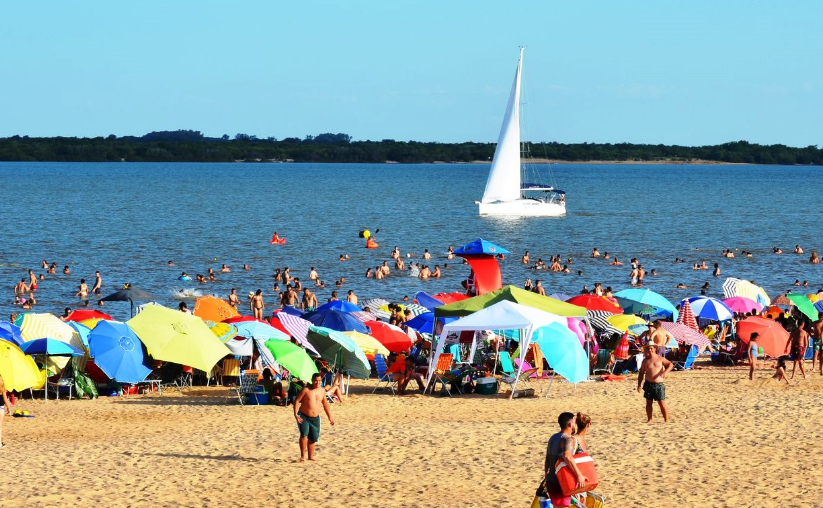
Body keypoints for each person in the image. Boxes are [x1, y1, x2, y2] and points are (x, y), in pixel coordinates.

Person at [544, 412, 587, 507]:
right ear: (570, 424)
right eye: (574, 422)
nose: (575, 425)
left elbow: (547, 459)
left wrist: (546, 475)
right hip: (560, 482)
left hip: (551, 480)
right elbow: (567, 456)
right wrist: (579, 475)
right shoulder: (567, 439)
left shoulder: (553, 438)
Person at [294, 373, 335, 461]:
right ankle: (302, 456)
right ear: (312, 380)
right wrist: (295, 414)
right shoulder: (306, 389)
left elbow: (325, 404)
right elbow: (297, 401)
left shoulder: (322, 390)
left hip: (315, 418)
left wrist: (330, 417)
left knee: (313, 437)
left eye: (319, 380)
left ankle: (311, 456)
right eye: (316, 380)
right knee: (304, 435)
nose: (317, 382)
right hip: (304, 416)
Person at [637, 344, 674, 423]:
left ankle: (666, 420)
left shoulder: (660, 359)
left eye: (651, 348)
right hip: (648, 384)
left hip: (659, 384)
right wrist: (639, 384)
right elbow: (641, 373)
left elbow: (670, 364)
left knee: (662, 403)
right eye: (648, 349)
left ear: (655, 349)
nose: (650, 350)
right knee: (648, 403)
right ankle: (649, 419)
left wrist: (665, 372)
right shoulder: (645, 361)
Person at [0, 373, 10, 448]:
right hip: (0, 408)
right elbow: (5, 399)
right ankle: (0, 443)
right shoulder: (2, 388)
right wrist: (8, 407)